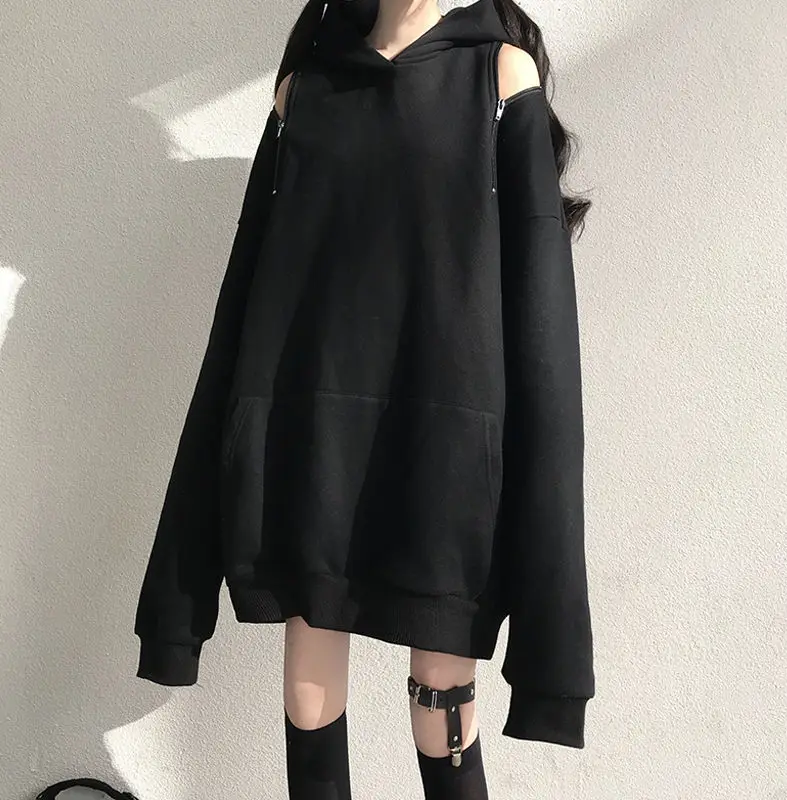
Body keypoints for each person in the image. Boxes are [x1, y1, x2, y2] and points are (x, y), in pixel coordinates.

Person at [133, 0, 595, 797]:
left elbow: (543, 324)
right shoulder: (307, 91)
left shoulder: (497, 80)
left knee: (442, 694)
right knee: (311, 676)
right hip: (315, 453)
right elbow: (246, 302)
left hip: (446, 466)